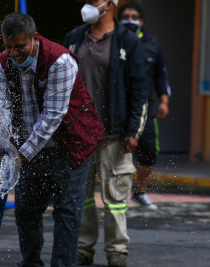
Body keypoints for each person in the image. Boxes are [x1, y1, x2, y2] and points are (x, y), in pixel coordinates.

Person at [0, 13, 104, 266]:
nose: (14, 53)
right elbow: (0, 107)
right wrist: (1, 141)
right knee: (26, 212)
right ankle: (31, 264)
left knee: (67, 213)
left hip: (70, 145)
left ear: (35, 38)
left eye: (20, 46)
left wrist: (20, 154)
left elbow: (52, 117)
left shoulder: (60, 61)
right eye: (8, 47)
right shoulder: (1, 62)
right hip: (30, 147)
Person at [63, 0, 148, 266]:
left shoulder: (128, 41)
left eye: (93, 0)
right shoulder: (74, 38)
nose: (87, 4)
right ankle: (83, 248)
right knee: (81, 197)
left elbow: (139, 90)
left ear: (109, 4)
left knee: (115, 197)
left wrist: (134, 130)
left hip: (114, 134)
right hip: (79, 133)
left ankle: (117, 252)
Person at [118, 2, 171, 211]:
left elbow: (160, 74)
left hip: (145, 107)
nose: (130, 20)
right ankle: (116, 191)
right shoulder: (115, 41)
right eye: (126, 16)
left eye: (134, 16)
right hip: (118, 106)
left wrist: (164, 100)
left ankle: (139, 191)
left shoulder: (151, 43)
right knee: (115, 149)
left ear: (141, 21)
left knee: (148, 150)